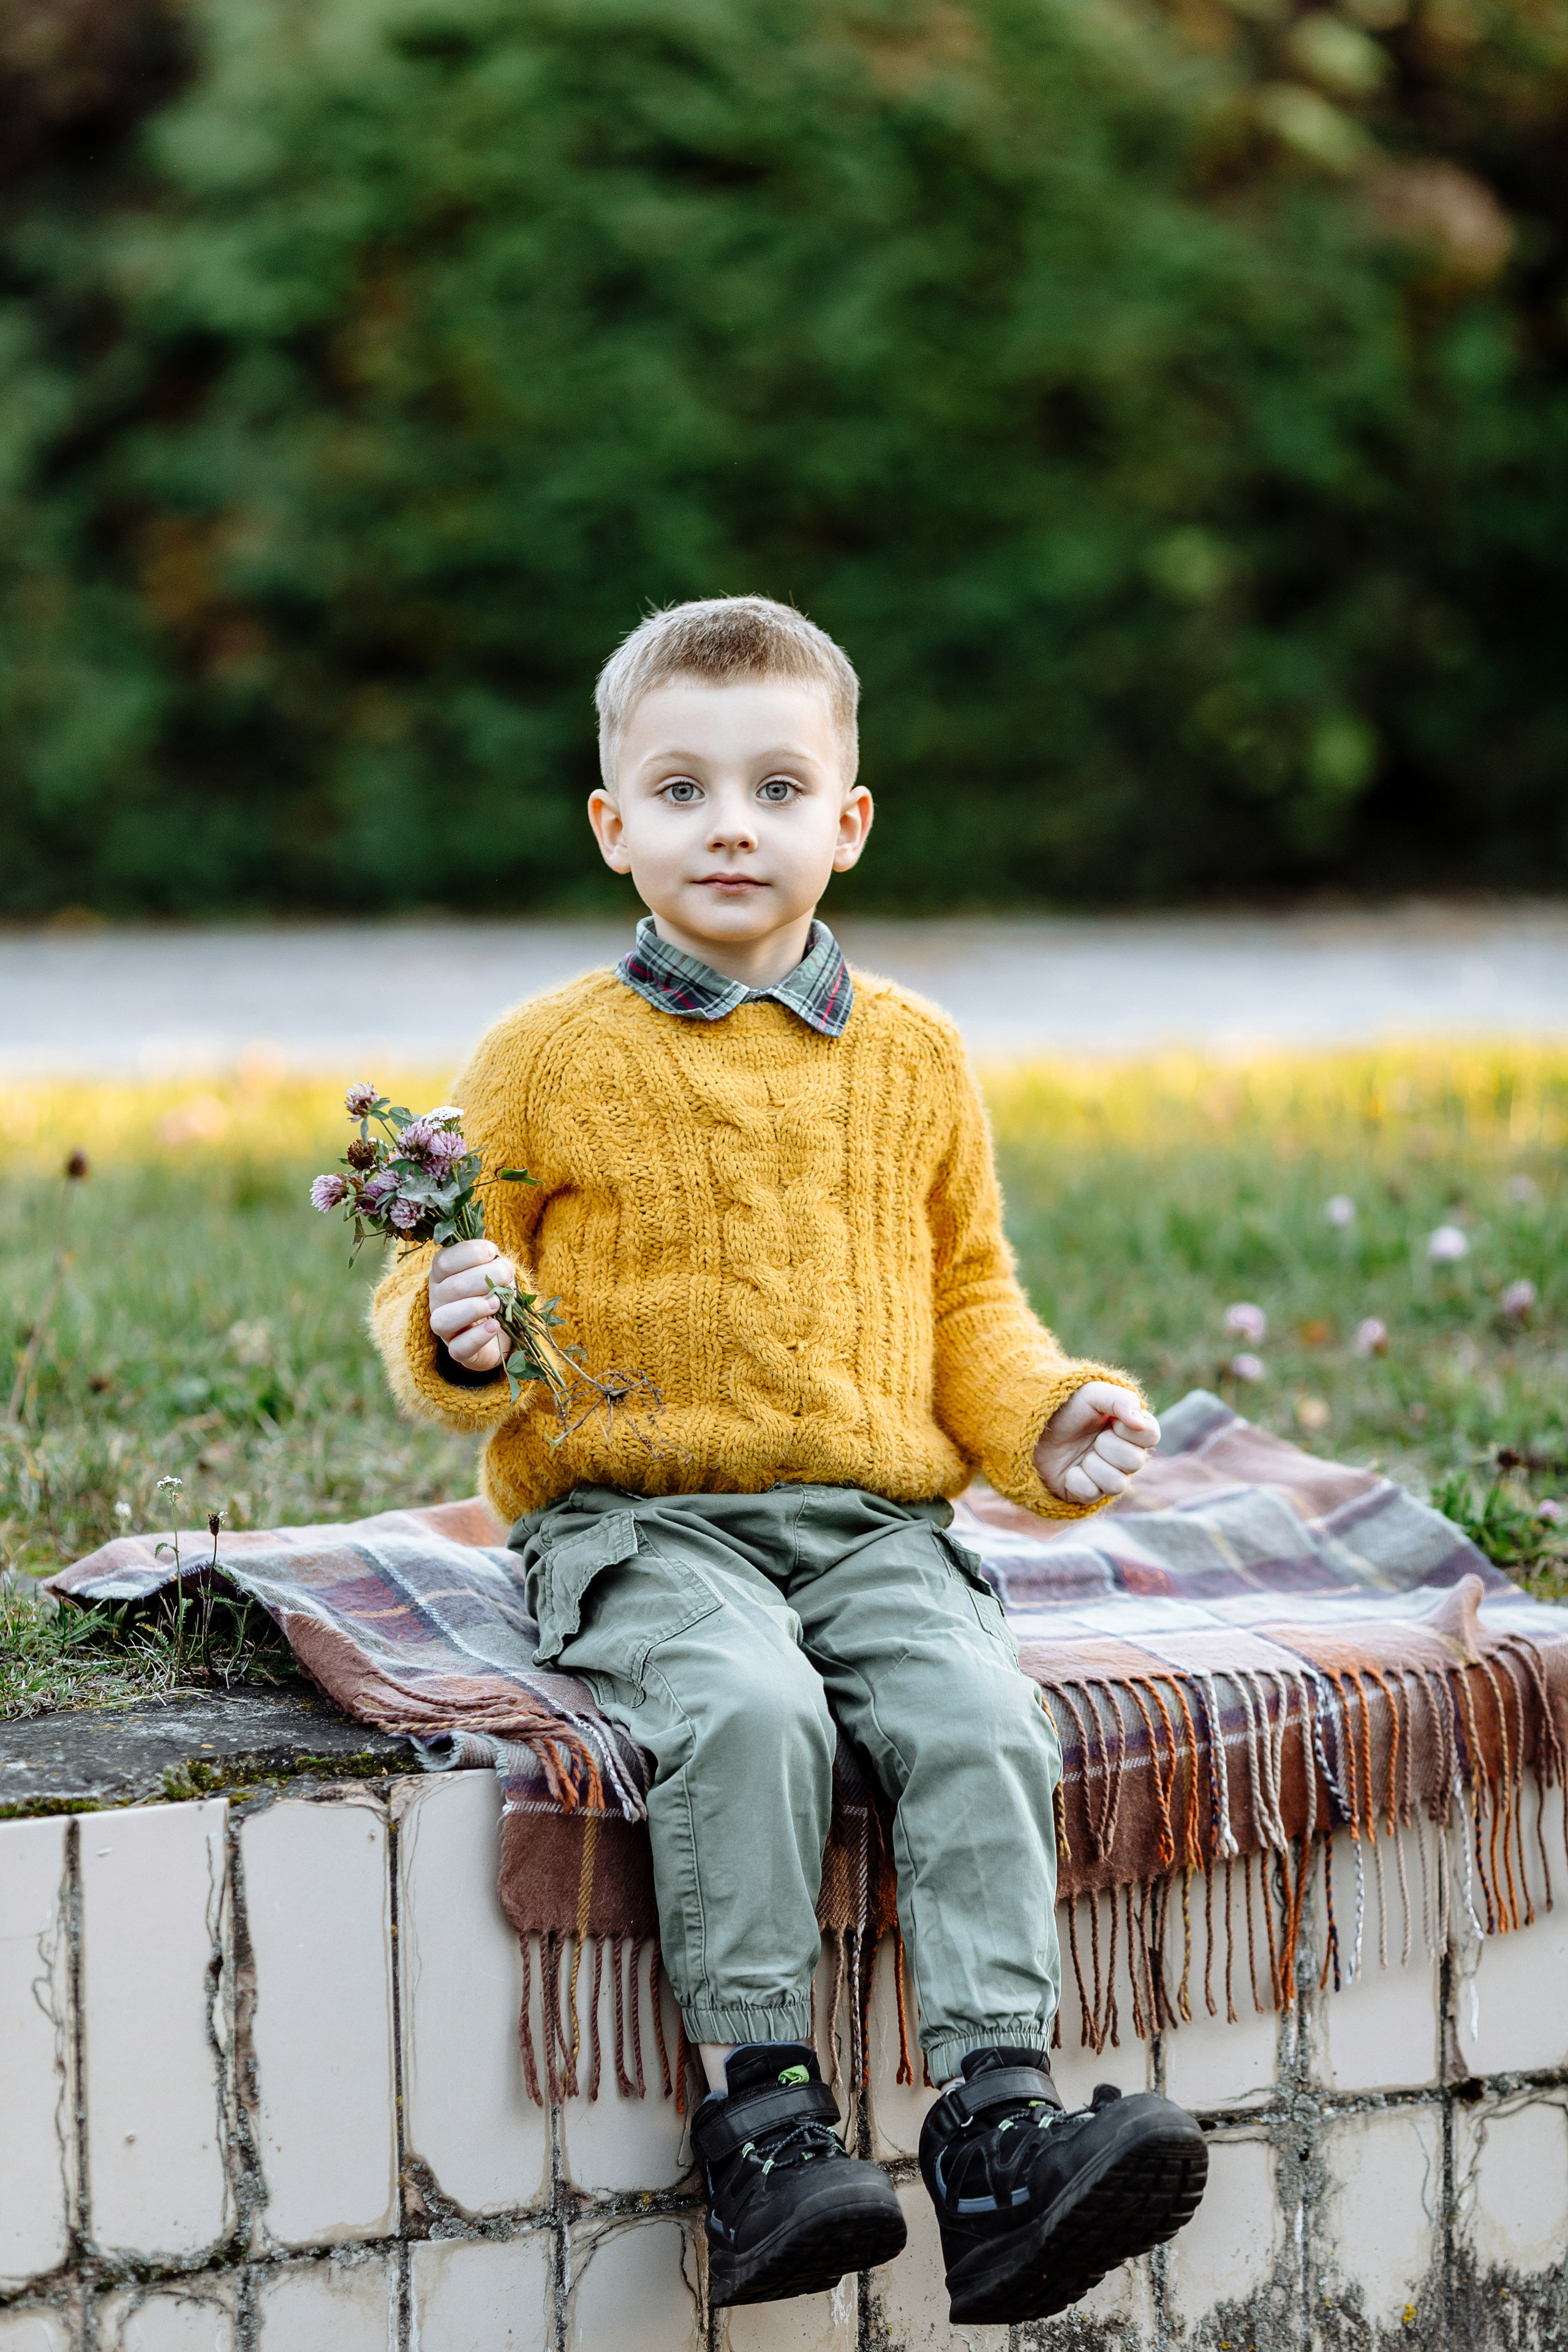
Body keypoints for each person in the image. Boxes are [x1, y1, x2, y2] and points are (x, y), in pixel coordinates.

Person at [372, 595, 1207, 2321]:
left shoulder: (915, 1055)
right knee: (755, 1714)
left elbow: (967, 1296)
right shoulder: (543, 1059)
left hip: (874, 1518)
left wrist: (1047, 1421)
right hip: (639, 1515)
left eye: (774, 786)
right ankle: (763, 2122)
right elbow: (440, 1273)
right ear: (614, 828)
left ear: (850, 819)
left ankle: (999, 2133)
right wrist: (455, 1328)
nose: (729, 823)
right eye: (679, 790)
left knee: (980, 1721)